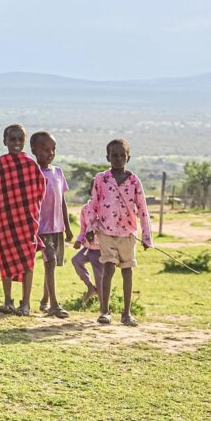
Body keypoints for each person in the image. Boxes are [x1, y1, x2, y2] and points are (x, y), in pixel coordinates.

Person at [87, 139, 152, 327]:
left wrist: (146, 237)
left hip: (128, 234)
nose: (118, 158)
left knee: (127, 270)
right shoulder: (101, 179)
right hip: (106, 232)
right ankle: (105, 312)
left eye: (122, 155)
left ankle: (126, 313)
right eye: (114, 155)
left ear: (128, 158)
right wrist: (90, 228)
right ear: (107, 157)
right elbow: (94, 204)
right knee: (107, 269)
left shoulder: (134, 181)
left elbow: (142, 208)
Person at [0, 124, 47, 316]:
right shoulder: (0, 163)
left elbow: (39, 190)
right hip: (4, 220)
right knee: (5, 258)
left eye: (20, 140)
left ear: (24, 142)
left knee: (27, 261)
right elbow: (0, 191)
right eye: (12, 139)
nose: (16, 143)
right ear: (4, 141)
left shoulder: (31, 165)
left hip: (26, 220)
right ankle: (8, 301)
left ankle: (26, 303)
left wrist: (28, 209)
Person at [31, 131, 73, 319]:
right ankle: (54, 305)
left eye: (53, 149)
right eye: (45, 149)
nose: (50, 153)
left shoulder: (57, 172)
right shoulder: (32, 172)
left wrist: (68, 226)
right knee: (50, 261)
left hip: (57, 227)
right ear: (34, 150)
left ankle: (45, 300)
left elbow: (62, 200)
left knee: (52, 264)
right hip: (40, 227)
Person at [71, 198, 103, 303]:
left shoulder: (105, 207)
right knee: (76, 260)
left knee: (99, 278)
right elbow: (83, 228)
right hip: (88, 248)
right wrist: (79, 240)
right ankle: (90, 286)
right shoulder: (85, 209)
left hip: (100, 249)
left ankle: (103, 304)